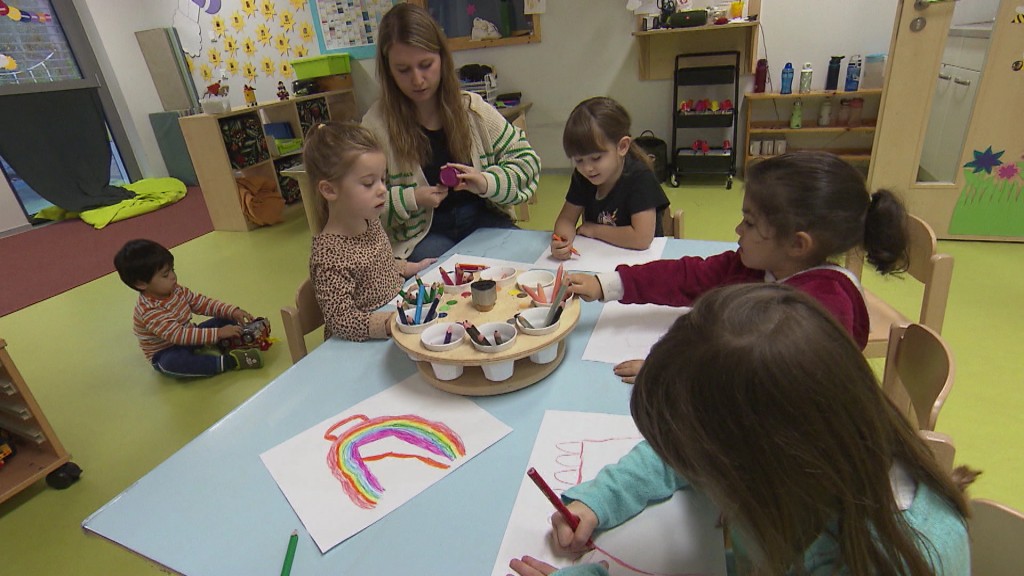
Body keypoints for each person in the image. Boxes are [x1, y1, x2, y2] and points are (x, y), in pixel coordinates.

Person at [509, 284, 970, 576]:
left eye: (702, 464)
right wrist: (601, 499)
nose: (688, 467)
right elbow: (677, 454)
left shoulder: (892, 561)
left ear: (753, 463)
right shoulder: (811, 448)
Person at [568, 151, 908, 382]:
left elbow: (754, 374)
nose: (737, 231)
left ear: (797, 244)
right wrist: (609, 284)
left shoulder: (823, 310)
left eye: (749, 222)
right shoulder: (756, 266)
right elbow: (688, 276)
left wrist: (674, 373)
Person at [362, 3, 541, 261]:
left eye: (426, 64)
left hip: (482, 218)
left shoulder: (471, 109)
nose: (417, 80)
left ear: (442, 59)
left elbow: (528, 163)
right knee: (446, 285)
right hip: (423, 236)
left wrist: (486, 181)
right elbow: (357, 202)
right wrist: (411, 198)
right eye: (403, 70)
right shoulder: (376, 126)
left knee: (530, 265)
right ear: (388, 70)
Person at [303, 121, 435, 342]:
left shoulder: (369, 221)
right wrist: (389, 323)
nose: (383, 190)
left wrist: (410, 267)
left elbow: (380, 265)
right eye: (368, 183)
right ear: (329, 190)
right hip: (362, 341)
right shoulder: (329, 255)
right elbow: (341, 320)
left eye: (382, 180)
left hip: (395, 314)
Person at [114, 239, 263, 377]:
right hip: (167, 350)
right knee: (172, 363)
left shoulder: (176, 290)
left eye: (172, 270)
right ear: (141, 284)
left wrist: (231, 311)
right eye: (165, 275)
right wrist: (218, 333)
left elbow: (202, 303)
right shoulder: (148, 310)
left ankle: (234, 338)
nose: (173, 276)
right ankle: (228, 362)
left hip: (190, 335)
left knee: (224, 319)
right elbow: (178, 335)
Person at [550, 97, 669, 258]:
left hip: (642, 263)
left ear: (622, 147)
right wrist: (562, 241)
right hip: (600, 260)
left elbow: (641, 238)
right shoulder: (583, 176)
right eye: (578, 160)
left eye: (596, 158)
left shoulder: (640, 178)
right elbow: (566, 219)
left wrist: (593, 230)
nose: (587, 168)